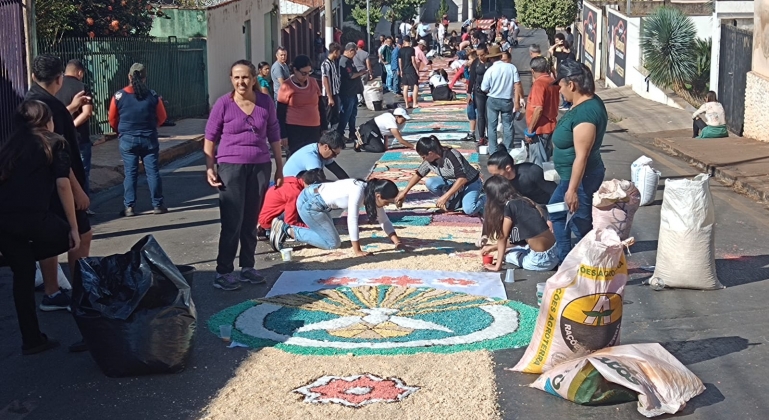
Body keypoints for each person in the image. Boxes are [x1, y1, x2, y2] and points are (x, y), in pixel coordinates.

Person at [0, 100, 80, 355]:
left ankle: (32, 339)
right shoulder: (55, 143)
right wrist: (73, 226)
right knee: (68, 240)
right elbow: (63, 185)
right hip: (35, 219)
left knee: (21, 276)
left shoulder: (9, 147)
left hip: (4, 222)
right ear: (47, 120)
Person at [204, 60, 284, 291]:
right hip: (231, 167)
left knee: (251, 220)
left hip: (259, 165)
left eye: (245, 77)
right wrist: (210, 166)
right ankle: (223, 271)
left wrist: (279, 166)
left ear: (253, 79)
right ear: (231, 79)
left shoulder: (265, 102)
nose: (241, 81)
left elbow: (274, 134)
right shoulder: (223, 104)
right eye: (237, 77)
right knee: (232, 221)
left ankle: (248, 267)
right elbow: (210, 138)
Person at [25, 54, 92, 319]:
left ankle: (53, 291)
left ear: (33, 77)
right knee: (81, 236)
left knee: (48, 237)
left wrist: (71, 108)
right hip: (59, 181)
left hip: (37, 184)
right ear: (59, 79)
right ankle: (79, 292)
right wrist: (78, 191)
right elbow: (60, 158)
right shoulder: (49, 107)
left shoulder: (31, 102)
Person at [550, 60, 607, 262]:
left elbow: (582, 155)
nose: (560, 92)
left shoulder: (586, 113)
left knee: (574, 219)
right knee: (565, 215)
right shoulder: (581, 106)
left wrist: (572, 190)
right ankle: (575, 258)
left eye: (561, 87)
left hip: (579, 179)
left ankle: (578, 260)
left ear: (571, 85)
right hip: (572, 177)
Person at [271, 179, 410, 255]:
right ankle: (287, 229)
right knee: (332, 243)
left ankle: (292, 229)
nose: (385, 205)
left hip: (316, 200)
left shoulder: (370, 191)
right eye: (386, 202)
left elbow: (384, 220)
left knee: (328, 236)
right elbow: (352, 220)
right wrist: (358, 251)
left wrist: (397, 242)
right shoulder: (359, 191)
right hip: (310, 204)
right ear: (378, 196)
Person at [109, 63, 168, 216]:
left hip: (128, 139)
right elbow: (162, 117)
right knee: (153, 172)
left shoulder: (119, 96)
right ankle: (157, 205)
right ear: (144, 78)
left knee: (130, 173)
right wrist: (151, 126)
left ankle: (129, 207)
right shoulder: (153, 96)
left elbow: (112, 119)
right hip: (149, 138)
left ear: (129, 76)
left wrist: (120, 130)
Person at [480, 176, 559, 272]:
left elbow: (503, 237)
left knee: (507, 254)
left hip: (539, 261)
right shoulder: (525, 200)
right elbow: (525, 238)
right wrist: (493, 247)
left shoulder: (510, 206)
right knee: (516, 248)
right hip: (555, 253)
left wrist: (497, 266)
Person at [395, 136, 485, 216]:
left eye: (423, 157)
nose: (423, 159)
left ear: (430, 153)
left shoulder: (451, 155)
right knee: (430, 183)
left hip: (470, 182)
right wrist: (404, 192)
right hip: (452, 182)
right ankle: (456, 200)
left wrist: (445, 197)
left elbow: (462, 179)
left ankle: (485, 198)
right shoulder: (429, 160)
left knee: (469, 210)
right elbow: (419, 174)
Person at [55, 59, 94, 212]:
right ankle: (84, 206)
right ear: (80, 73)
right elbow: (87, 113)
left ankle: (65, 205)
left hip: (58, 137)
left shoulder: (56, 86)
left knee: (63, 172)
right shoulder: (82, 87)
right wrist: (70, 125)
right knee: (82, 172)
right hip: (80, 138)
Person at [260, 168, 327, 251]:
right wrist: (310, 228)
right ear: (311, 185)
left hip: (264, 216)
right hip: (269, 221)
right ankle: (282, 230)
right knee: (305, 209)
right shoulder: (295, 193)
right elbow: (290, 221)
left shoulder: (291, 180)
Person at [277, 55, 326, 156]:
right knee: (296, 158)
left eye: (309, 72)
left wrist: (324, 127)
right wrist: (283, 135)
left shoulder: (313, 82)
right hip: (295, 130)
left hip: (314, 129)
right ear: (295, 70)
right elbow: (280, 113)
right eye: (304, 73)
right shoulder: (287, 86)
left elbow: (321, 106)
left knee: (313, 158)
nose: (306, 76)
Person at [481, 45, 523, 155]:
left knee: (492, 126)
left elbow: (483, 88)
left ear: (491, 58)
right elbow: (517, 84)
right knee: (508, 125)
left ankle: (493, 150)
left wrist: (491, 91)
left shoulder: (490, 70)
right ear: (500, 56)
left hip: (493, 98)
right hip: (507, 99)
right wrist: (517, 101)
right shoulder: (511, 67)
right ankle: (508, 149)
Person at [525, 56, 561, 166]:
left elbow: (538, 109)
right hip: (550, 126)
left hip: (539, 128)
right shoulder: (552, 81)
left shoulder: (539, 84)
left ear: (532, 70)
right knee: (545, 161)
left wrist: (530, 131)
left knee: (537, 164)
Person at [487, 148, 556, 205]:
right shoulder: (501, 181)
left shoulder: (531, 172)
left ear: (508, 168)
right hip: (524, 208)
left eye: (496, 175)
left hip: (544, 205)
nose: (494, 179)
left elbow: (554, 192)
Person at [283, 130, 349, 179]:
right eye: (334, 154)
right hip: (289, 186)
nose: (335, 157)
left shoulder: (320, 150)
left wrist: (351, 183)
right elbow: (319, 182)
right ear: (326, 147)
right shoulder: (312, 157)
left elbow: (338, 171)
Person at [337, 43, 367, 143]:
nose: (355, 55)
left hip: (353, 92)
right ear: (350, 50)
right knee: (346, 114)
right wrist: (361, 73)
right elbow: (350, 75)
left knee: (353, 114)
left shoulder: (350, 61)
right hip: (347, 92)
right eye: (354, 52)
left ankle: (352, 132)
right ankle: (340, 134)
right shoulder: (344, 61)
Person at [469, 43, 492, 145]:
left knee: (490, 115)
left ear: (487, 53)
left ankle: (490, 135)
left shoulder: (491, 63)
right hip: (478, 92)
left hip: (491, 92)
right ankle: (482, 137)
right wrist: (468, 93)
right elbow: (472, 78)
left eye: (482, 55)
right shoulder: (476, 63)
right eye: (478, 55)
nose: (480, 57)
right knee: (481, 114)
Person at [550, 34, 575, 110]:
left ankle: (568, 104)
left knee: (565, 88)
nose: (559, 48)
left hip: (567, 75)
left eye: (561, 46)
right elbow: (550, 50)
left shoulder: (570, 55)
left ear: (564, 46)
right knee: (561, 89)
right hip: (560, 75)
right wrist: (557, 44)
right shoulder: (560, 54)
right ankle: (565, 104)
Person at [320, 42, 342, 130]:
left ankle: (334, 134)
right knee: (328, 117)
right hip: (329, 95)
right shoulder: (326, 64)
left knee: (335, 116)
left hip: (335, 93)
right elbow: (325, 80)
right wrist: (329, 97)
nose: (339, 54)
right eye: (339, 52)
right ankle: (325, 134)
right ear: (335, 52)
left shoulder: (332, 63)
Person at [399, 36, 420, 109]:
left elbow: (400, 61)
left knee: (405, 86)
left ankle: (407, 104)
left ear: (404, 41)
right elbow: (413, 60)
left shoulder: (400, 50)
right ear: (409, 41)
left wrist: (401, 70)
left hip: (404, 70)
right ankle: (414, 103)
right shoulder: (412, 49)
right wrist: (416, 69)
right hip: (411, 69)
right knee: (415, 85)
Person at [354, 40, 373, 106]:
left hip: (356, 72)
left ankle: (359, 100)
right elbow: (368, 65)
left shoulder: (354, 53)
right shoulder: (366, 54)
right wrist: (370, 73)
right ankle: (364, 99)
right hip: (364, 72)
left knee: (357, 86)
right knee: (364, 86)